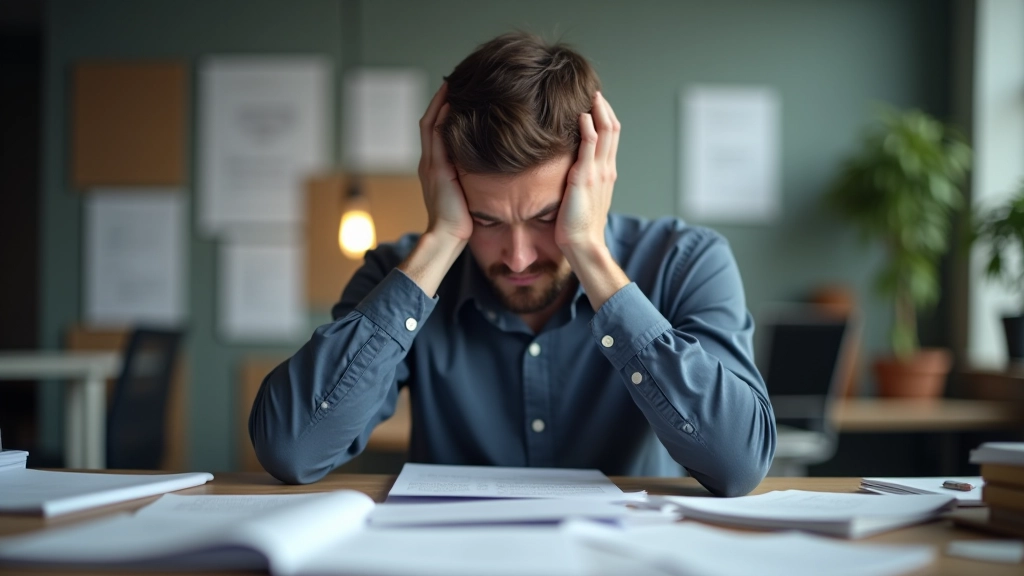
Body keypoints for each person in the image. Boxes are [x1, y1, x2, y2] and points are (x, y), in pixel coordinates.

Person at [250, 32, 775, 497]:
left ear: (595, 179)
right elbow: (293, 450)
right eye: (487, 220)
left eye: (547, 216)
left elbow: (737, 464)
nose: (519, 257)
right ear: (446, 188)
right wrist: (442, 240)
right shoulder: (401, 273)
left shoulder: (686, 262)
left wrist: (588, 252)